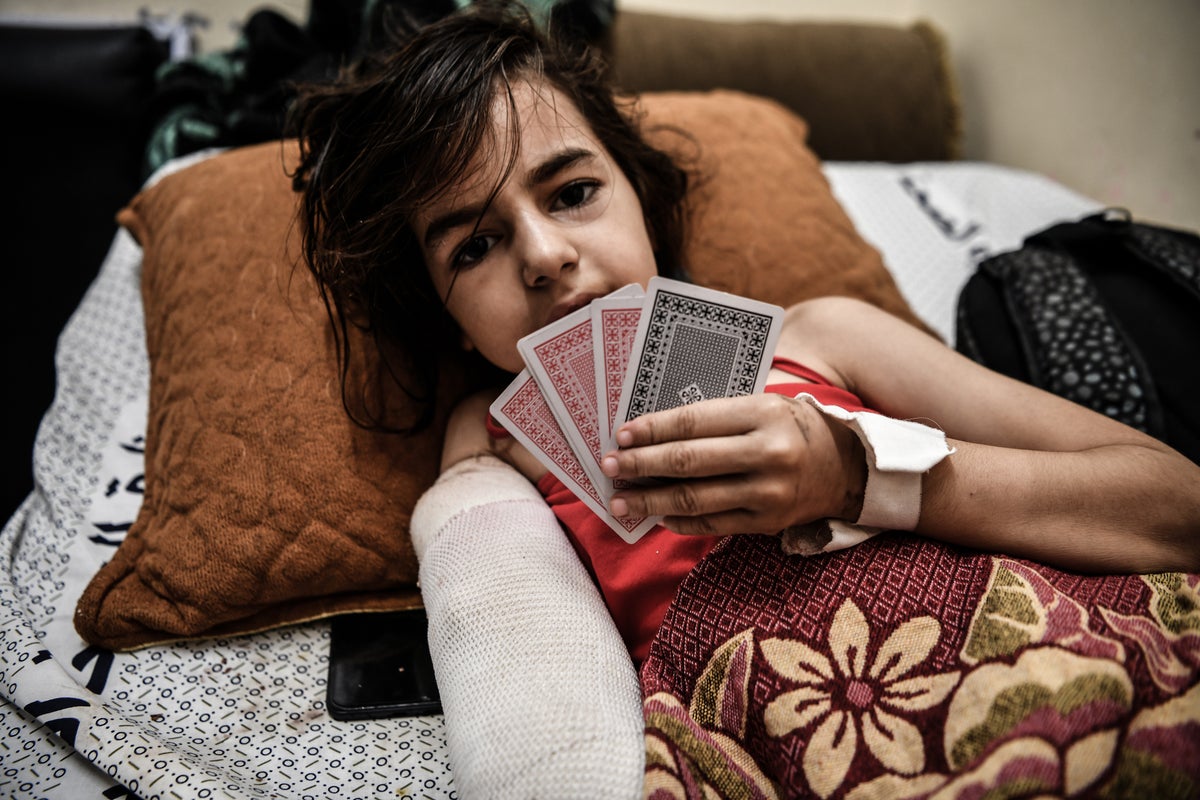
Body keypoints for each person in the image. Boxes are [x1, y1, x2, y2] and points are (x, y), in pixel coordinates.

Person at [291, 1, 1200, 664]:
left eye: (573, 193)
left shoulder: (825, 338)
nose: (544, 255)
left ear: (641, 200)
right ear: (445, 317)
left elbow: (1175, 506)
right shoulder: (492, 437)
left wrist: (852, 473)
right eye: (475, 246)